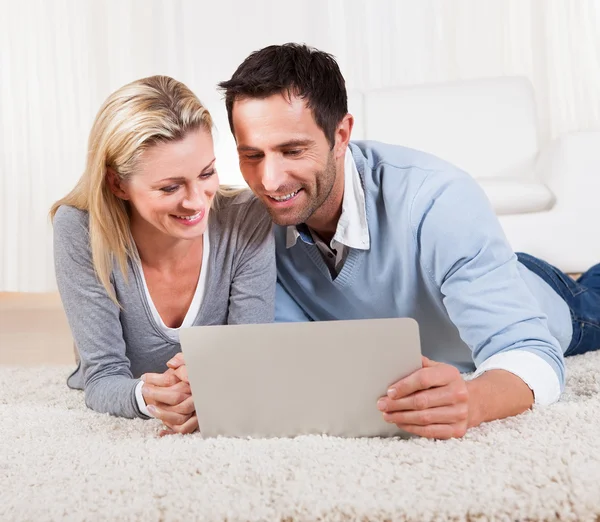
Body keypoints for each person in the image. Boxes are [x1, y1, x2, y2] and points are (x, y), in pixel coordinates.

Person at [195, 42, 599, 440]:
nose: (270, 180)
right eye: (252, 155)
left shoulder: (439, 200)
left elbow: (531, 351)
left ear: (341, 135)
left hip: (554, 301)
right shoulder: (253, 227)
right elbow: (287, 361)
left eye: (292, 150)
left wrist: (472, 400)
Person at [50, 75, 276, 435]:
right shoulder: (79, 229)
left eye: (207, 173)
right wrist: (147, 397)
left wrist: (216, 386)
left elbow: (250, 354)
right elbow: (103, 377)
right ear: (118, 184)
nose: (195, 200)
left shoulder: (246, 218)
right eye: (170, 187)